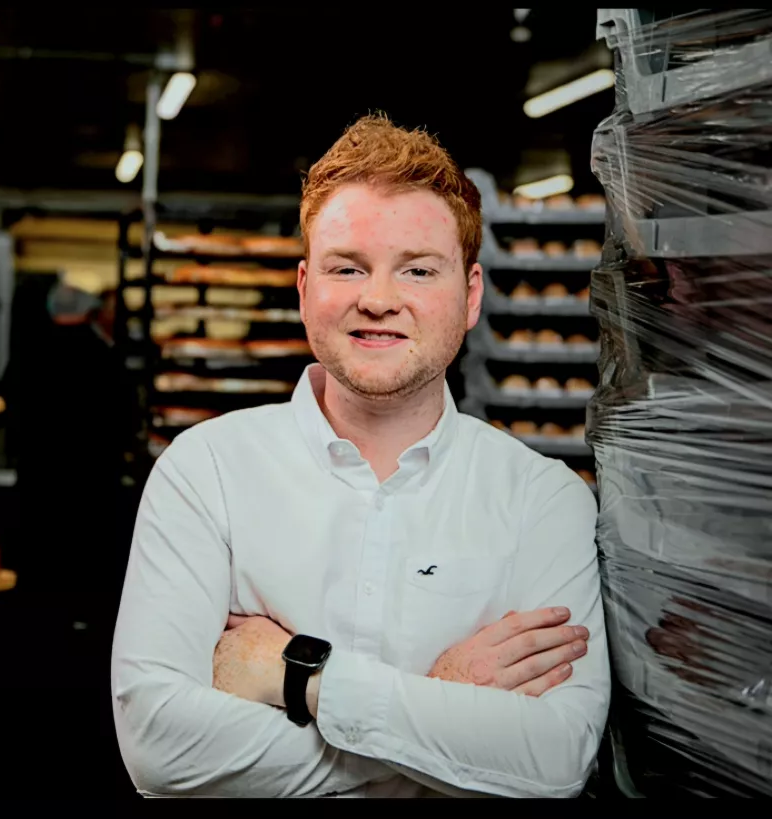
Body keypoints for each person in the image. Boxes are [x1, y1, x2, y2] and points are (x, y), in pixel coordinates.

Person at [110, 114, 610, 798]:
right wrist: (439, 714)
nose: (378, 300)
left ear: (469, 298)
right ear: (304, 288)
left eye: (418, 270)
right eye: (347, 267)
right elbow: (159, 744)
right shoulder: (205, 473)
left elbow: (557, 757)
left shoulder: (544, 501)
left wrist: (302, 677)